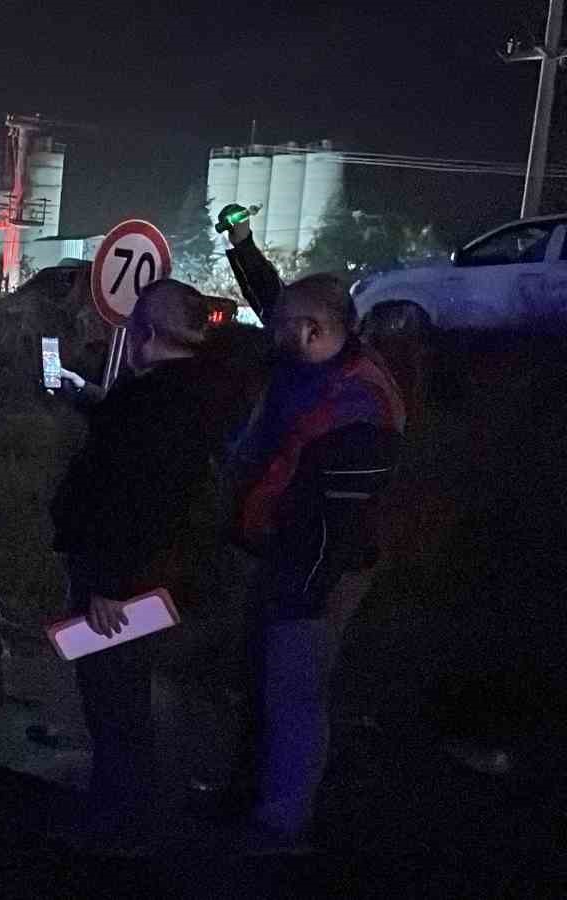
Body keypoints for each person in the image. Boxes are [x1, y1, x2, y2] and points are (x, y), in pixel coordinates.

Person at [218, 205, 407, 850]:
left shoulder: (362, 407)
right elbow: (274, 301)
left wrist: (310, 593)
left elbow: (341, 521)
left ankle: (281, 824)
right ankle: (249, 794)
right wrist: (241, 245)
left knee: (294, 692)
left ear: (326, 330)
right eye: (284, 327)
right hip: (280, 550)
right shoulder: (315, 354)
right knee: (260, 681)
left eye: (297, 328)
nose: (280, 336)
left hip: (318, 568)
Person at [48, 279, 241, 849]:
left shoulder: (153, 404)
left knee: (116, 701)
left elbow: (134, 497)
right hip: (148, 574)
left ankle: (116, 825)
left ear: (146, 334)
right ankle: (121, 812)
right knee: (121, 697)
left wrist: (109, 584)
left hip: (121, 583)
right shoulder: (188, 393)